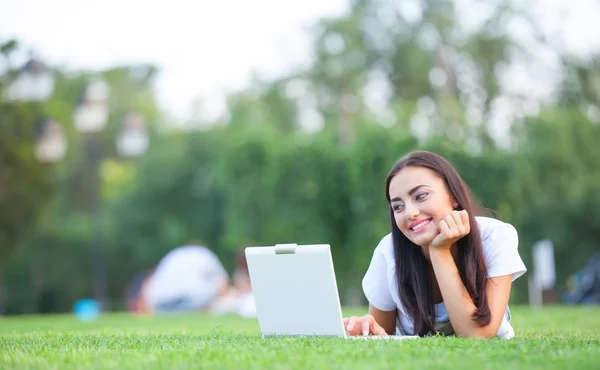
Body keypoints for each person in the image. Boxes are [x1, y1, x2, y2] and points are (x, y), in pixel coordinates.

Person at [344, 151, 527, 339]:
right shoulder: (389, 252)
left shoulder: (494, 237)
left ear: (453, 195)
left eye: (420, 196)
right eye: (398, 206)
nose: (410, 213)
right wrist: (366, 327)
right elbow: (381, 332)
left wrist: (440, 251)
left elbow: (477, 335)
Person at [141, 241, 229, 313]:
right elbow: (222, 282)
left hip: (161, 302)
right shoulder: (204, 254)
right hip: (191, 300)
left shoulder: (174, 254)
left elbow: (150, 282)